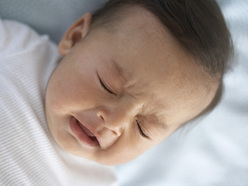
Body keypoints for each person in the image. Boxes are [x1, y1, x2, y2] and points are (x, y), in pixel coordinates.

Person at [0, 0, 233, 184]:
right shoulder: (18, 48)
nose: (114, 122)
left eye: (143, 128)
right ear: (75, 38)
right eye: (107, 86)